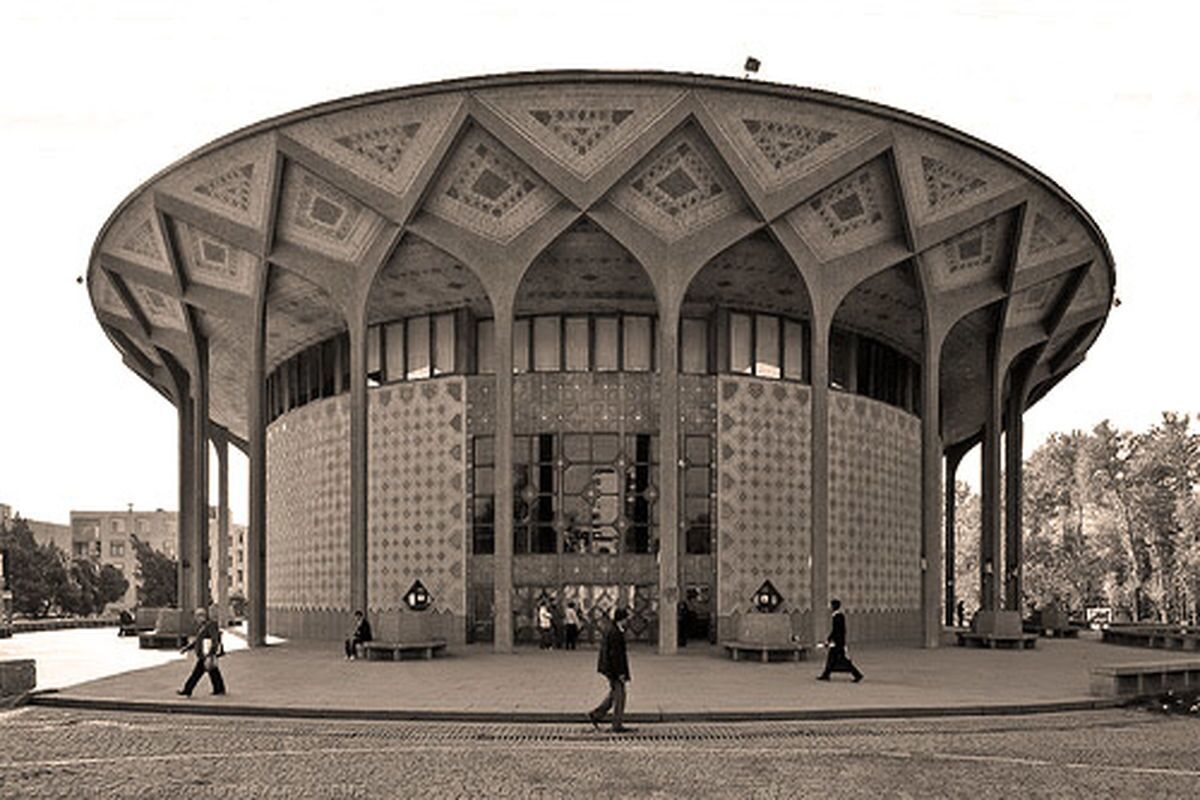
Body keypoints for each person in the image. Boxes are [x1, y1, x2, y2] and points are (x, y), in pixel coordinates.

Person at [588, 607, 633, 733]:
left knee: (614, 694)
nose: (628, 620)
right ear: (622, 619)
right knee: (620, 696)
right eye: (626, 618)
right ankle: (616, 725)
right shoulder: (615, 633)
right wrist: (620, 673)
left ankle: (596, 715)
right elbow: (616, 655)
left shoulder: (614, 630)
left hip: (610, 668)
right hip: (613, 669)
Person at [177, 607, 226, 697]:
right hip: (205, 654)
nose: (196, 620)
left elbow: (214, 640)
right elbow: (197, 641)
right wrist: (187, 648)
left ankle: (187, 689)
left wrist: (210, 655)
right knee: (213, 671)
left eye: (197, 617)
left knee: (197, 673)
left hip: (206, 654)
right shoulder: (204, 626)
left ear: (202, 616)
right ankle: (219, 689)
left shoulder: (210, 625)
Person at [816, 598, 863, 683]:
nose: (829, 607)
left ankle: (857, 674)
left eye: (830, 605)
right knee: (831, 658)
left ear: (833, 606)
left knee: (842, 660)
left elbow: (837, 631)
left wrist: (831, 640)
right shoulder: (837, 616)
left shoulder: (838, 617)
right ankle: (826, 674)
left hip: (838, 643)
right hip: (838, 642)